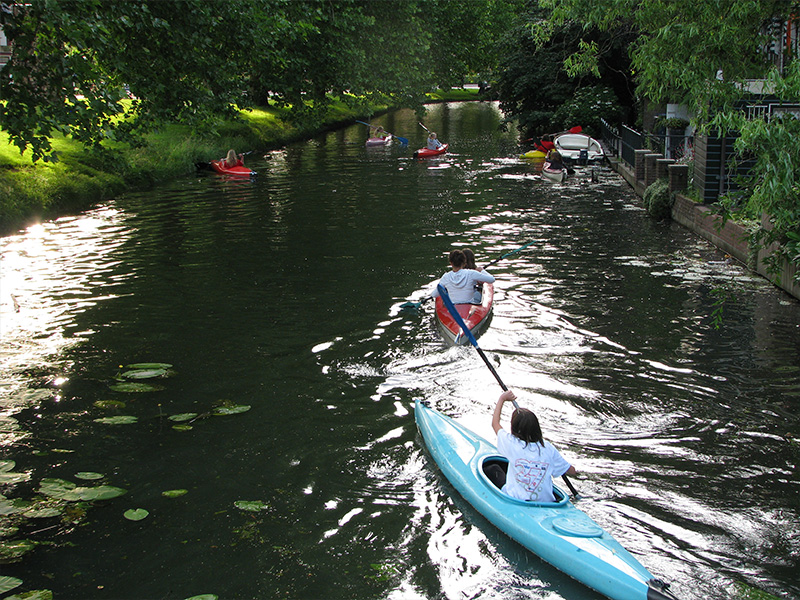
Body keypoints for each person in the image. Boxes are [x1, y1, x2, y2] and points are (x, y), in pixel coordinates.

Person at [488, 389, 577, 503]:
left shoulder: (511, 443)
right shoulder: (548, 448)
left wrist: (502, 399)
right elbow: (572, 471)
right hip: (547, 502)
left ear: (514, 428)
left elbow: (495, 423)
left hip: (516, 499)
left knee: (493, 468)